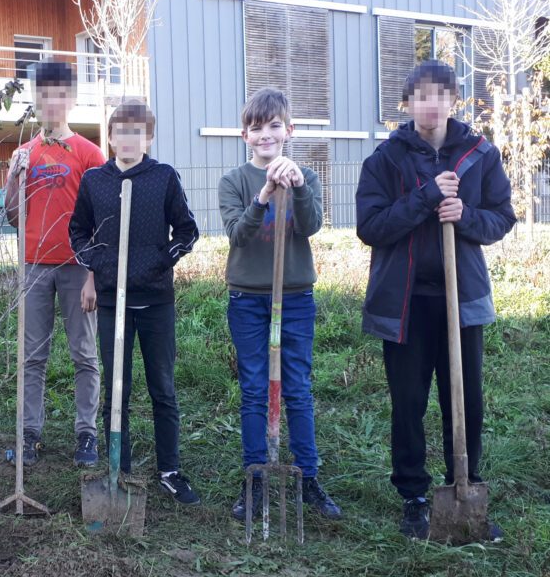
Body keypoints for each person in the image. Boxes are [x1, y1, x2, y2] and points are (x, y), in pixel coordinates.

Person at [356, 60, 514, 540]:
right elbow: (372, 228)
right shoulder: (384, 160)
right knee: (407, 403)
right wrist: (426, 196)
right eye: (420, 95)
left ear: (453, 101)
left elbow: (501, 217)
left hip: (459, 300)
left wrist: (464, 215)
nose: (431, 104)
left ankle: (462, 484)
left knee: (464, 400)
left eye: (440, 95)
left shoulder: (480, 155)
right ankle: (414, 497)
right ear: (407, 104)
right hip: (403, 303)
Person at [217, 87, 342, 522]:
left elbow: (310, 226)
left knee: (297, 389)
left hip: (295, 299)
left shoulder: (306, 174)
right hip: (249, 299)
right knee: (254, 389)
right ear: (244, 135)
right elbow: (237, 235)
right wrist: (265, 194)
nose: (265, 135)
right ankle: (255, 477)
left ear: (288, 130)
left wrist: (299, 186)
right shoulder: (234, 181)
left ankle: (307, 476)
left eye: (274, 126)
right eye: (256, 128)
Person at [68, 100, 201, 504]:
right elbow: (78, 231)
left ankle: (170, 469)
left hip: (156, 301)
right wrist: (99, 264)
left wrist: (159, 262)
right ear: (109, 137)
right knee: (117, 388)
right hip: (112, 303)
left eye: (136, 132)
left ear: (148, 137)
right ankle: (118, 468)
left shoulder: (162, 177)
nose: (128, 139)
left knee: (162, 387)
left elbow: (187, 231)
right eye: (120, 131)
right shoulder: (96, 180)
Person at [5, 61, 106, 467]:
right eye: (44, 95)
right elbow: (13, 216)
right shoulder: (23, 153)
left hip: (78, 267)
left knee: (84, 353)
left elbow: (103, 222)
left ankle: (86, 434)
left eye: (60, 94)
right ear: (37, 99)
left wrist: (94, 276)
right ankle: (30, 433)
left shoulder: (89, 153)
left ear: (72, 99)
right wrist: (14, 179)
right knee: (32, 356)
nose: (52, 102)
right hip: (33, 267)